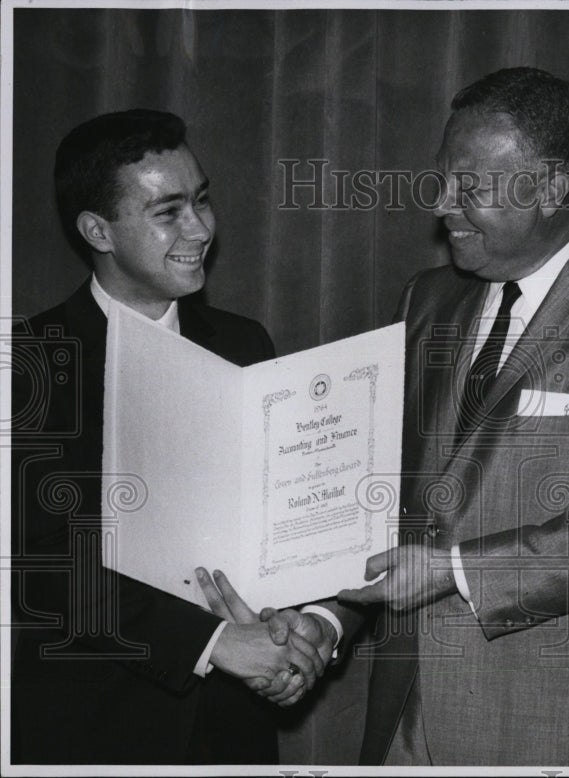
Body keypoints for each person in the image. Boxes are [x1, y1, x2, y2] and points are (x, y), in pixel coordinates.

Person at [203, 66, 569, 765]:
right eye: (442, 179)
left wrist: (451, 570)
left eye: (470, 187)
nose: (442, 203)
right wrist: (327, 619)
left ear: (555, 189)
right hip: (401, 716)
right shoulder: (427, 300)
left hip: (548, 721)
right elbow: (384, 500)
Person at [10, 109, 326, 765]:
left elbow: (284, 517)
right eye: (169, 211)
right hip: (93, 732)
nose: (201, 229)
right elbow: (43, 565)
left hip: (234, 732)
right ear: (98, 229)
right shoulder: (32, 362)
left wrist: (298, 632)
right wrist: (214, 644)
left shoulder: (245, 342)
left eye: (203, 200)